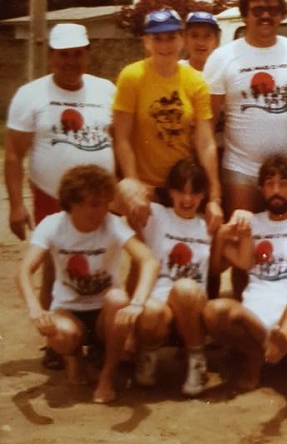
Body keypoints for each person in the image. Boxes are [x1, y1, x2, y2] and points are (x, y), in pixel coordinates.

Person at [5, 22, 115, 368]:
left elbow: (120, 139)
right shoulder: (30, 95)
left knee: (102, 263)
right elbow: (12, 154)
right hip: (53, 194)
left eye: (78, 54)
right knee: (56, 264)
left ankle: (99, 334)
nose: (71, 61)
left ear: (87, 54)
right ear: (51, 57)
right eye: (64, 55)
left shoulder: (105, 89)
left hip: (100, 197)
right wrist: (16, 205)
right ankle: (57, 341)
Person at [15, 165, 159, 404]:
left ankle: (106, 378)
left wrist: (137, 303)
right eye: (94, 204)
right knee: (60, 335)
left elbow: (148, 261)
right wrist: (34, 308)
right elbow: (23, 270)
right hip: (69, 310)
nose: (102, 210)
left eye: (105, 203)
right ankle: (75, 359)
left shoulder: (112, 224)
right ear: (72, 203)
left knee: (118, 300)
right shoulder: (53, 225)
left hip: (104, 313)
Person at [204, 155, 287, 391]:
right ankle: (260, 353)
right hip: (253, 320)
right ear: (261, 189)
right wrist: (221, 236)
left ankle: (278, 346)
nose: (276, 190)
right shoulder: (252, 223)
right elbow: (220, 266)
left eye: (283, 184)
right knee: (212, 311)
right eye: (269, 184)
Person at [203, 0, 287, 215]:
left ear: (282, 14)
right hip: (241, 172)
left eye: (273, 10)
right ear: (245, 15)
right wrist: (213, 188)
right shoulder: (222, 58)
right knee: (242, 241)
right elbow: (206, 130)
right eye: (257, 10)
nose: (266, 16)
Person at [112, 9, 222, 234]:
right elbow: (121, 136)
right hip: (146, 187)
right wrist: (133, 183)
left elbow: (206, 143)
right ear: (146, 42)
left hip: (182, 188)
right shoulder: (131, 77)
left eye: (171, 37)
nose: (165, 45)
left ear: (181, 40)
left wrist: (214, 197)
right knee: (146, 259)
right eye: (157, 38)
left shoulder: (195, 82)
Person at [134, 158, 218, 397]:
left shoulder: (207, 226)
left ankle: (197, 361)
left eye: (195, 193)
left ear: (203, 196)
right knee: (149, 310)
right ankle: (148, 355)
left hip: (193, 305)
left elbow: (222, 264)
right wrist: (139, 192)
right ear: (170, 192)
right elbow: (118, 201)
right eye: (180, 191)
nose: (187, 199)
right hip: (160, 306)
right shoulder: (157, 216)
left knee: (184, 288)